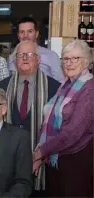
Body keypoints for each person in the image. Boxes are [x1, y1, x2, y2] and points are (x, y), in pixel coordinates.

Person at [0, 41, 60, 193]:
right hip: (9, 165)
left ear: (38, 59)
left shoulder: (54, 88)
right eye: (20, 55)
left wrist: (40, 157)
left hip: (41, 165)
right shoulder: (2, 86)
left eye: (30, 54)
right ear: (14, 60)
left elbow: (57, 129)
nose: (25, 58)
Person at [33, 40, 93, 197]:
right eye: (66, 59)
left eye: (75, 58)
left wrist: (41, 152)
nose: (69, 63)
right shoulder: (66, 84)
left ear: (86, 60)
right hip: (58, 159)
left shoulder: (89, 89)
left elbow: (73, 132)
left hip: (76, 163)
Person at [8, 17, 64, 82]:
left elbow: (60, 83)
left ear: (36, 34)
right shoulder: (12, 57)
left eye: (30, 31)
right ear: (18, 35)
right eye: (22, 32)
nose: (25, 35)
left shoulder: (51, 56)